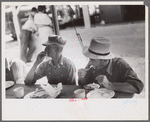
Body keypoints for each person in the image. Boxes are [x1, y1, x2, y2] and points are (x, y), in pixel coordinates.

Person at [78, 37, 144, 95]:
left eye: (92, 59)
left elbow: (138, 86)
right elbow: (85, 85)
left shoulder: (120, 64)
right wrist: (81, 78)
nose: (89, 63)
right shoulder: (93, 66)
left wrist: (110, 85)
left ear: (103, 60)